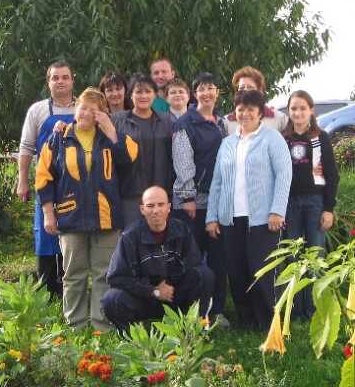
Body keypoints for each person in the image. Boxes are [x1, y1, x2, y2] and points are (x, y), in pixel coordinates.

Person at [36, 87, 137, 330]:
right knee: (73, 275)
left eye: (95, 110)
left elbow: (129, 157)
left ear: (102, 115)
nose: (87, 113)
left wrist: (110, 128)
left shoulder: (110, 138)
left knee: (105, 275)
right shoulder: (58, 138)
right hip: (71, 218)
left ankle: (103, 326)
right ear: (76, 108)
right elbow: (43, 178)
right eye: (83, 107)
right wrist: (49, 214)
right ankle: (77, 326)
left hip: (106, 218)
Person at [206, 89, 292, 331]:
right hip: (231, 219)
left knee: (263, 273)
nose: (244, 114)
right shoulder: (227, 143)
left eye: (250, 109)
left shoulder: (271, 138)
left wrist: (277, 211)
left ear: (260, 113)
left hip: (263, 219)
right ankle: (247, 323)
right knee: (238, 273)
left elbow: (284, 175)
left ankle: (269, 324)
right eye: (240, 109)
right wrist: (212, 217)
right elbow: (217, 182)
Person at [101, 186, 215, 334]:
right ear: (142, 209)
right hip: (144, 298)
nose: (156, 210)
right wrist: (153, 291)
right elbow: (116, 278)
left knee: (204, 275)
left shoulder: (182, 230)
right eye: (150, 206)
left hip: (174, 295)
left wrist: (168, 287)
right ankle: (136, 340)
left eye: (161, 205)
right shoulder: (129, 237)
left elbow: (193, 265)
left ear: (169, 207)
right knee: (111, 300)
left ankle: (193, 333)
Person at [171, 72, 229, 325]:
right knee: (191, 260)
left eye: (210, 88)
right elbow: (183, 162)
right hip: (191, 204)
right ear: (195, 95)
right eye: (201, 89)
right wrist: (188, 197)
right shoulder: (185, 123)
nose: (206, 93)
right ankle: (192, 313)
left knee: (218, 259)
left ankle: (216, 311)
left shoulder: (221, 123)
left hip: (217, 202)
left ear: (217, 92)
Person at [18, 61, 75, 297]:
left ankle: (71, 292)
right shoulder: (37, 110)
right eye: (55, 78)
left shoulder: (84, 107)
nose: (60, 81)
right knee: (45, 234)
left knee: (73, 237)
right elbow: (26, 146)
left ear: (73, 80)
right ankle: (48, 293)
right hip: (47, 182)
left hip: (75, 183)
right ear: (48, 82)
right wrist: (23, 180)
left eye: (65, 77)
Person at [281, 90, 339, 320]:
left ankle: (315, 312)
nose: (298, 112)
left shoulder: (320, 137)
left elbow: (332, 175)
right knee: (293, 258)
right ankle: (295, 313)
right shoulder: (282, 138)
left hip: (315, 202)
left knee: (315, 258)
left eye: (302, 108)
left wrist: (329, 208)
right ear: (289, 111)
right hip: (289, 203)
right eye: (294, 108)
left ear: (311, 111)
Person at [111, 73, 174, 225]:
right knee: (132, 240)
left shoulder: (166, 120)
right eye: (138, 92)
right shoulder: (116, 121)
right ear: (131, 95)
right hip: (130, 193)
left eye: (148, 91)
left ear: (154, 94)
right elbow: (89, 125)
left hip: (160, 193)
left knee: (158, 241)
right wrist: (64, 126)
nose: (143, 96)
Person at [224, 66, 288, 133]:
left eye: (250, 87)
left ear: (260, 90)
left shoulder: (278, 118)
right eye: (242, 88)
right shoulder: (227, 121)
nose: (245, 91)